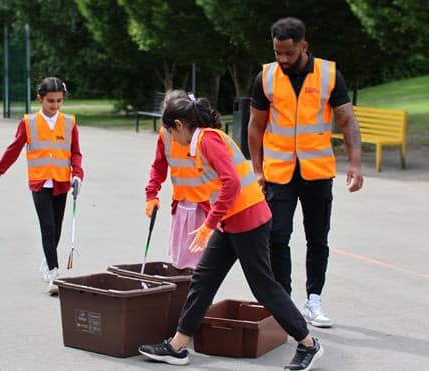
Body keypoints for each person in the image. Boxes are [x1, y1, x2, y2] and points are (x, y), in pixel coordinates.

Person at [139, 91, 324, 371]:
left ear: (179, 125)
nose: (170, 139)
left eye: (169, 131)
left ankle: (309, 344)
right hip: (231, 221)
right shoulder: (200, 140)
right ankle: (178, 345)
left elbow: (232, 184)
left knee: (264, 288)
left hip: (248, 220)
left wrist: (207, 225)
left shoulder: (208, 141)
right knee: (203, 279)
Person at [248, 17, 363, 328]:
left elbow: (347, 120)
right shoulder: (266, 77)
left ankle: (314, 300)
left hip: (317, 172)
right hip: (278, 172)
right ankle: (282, 302)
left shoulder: (329, 75)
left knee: (318, 239)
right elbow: (255, 126)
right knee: (276, 236)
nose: (282, 59)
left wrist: (355, 163)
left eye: (288, 53)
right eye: (277, 53)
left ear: (304, 46)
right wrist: (257, 170)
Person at [0, 77, 84, 295]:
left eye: (59, 101)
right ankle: (54, 273)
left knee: (56, 229)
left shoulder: (70, 123)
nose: (55, 106)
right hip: (40, 183)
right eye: (51, 101)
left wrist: (77, 175)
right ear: (40, 98)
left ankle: (46, 261)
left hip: (61, 182)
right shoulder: (28, 123)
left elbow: (76, 153)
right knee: (47, 227)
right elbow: (13, 150)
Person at [145, 90, 209, 269]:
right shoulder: (165, 135)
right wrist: (152, 195)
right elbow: (159, 166)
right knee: (180, 260)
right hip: (181, 206)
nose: (170, 130)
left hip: (205, 208)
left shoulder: (204, 136)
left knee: (202, 263)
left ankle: (199, 295)